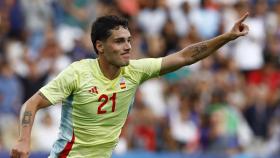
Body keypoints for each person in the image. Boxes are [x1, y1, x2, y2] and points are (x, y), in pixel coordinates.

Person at [10, 12, 249, 158]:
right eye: (119, 41)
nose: (128, 47)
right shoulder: (78, 73)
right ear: (99, 46)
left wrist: (226, 37)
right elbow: (32, 104)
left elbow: (187, 56)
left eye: (129, 40)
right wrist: (23, 139)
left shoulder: (135, 71)